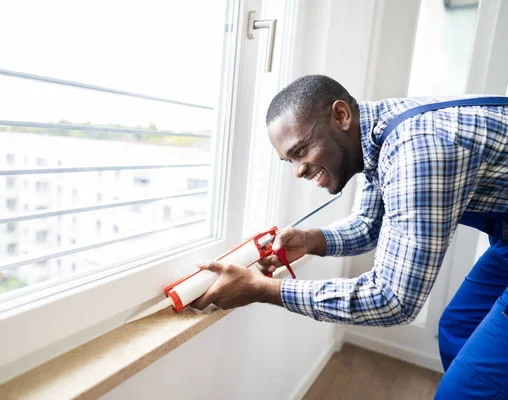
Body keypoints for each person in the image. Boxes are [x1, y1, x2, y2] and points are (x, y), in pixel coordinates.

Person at [191, 75, 508, 399]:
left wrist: (264, 290)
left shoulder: (419, 150)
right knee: (458, 330)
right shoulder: (380, 137)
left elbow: (393, 300)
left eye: (301, 150)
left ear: (341, 115)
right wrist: (312, 240)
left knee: (464, 391)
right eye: (290, 160)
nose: (298, 170)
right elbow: (371, 223)